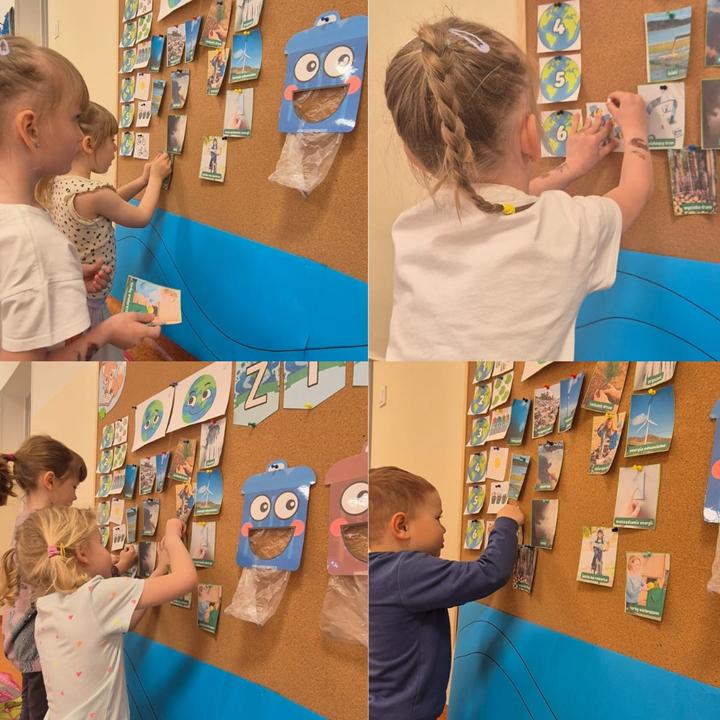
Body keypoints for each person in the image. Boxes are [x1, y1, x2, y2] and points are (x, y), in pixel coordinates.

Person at [383, 18, 654, 360]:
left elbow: (497, 204)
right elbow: (636, 189)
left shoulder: (410, 228)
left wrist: (571, 169)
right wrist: (636, 128)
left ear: (413, 157)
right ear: (531, 137)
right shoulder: (568, 228)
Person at [0, 36, 161, 360]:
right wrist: (107, 332)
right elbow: (24, 377)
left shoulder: (19, 219)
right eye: (74, 118)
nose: (78, 134)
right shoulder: (34, 243)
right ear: (31, 130)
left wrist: (64, 282)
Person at [0, 508, 197, 720]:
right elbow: (186, 579)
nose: (109, 552)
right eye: (101, 543)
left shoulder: (46, 608)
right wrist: (172, 535)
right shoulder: (96, 596)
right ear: (82, 554)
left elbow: (126, 621)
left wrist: (159, 570)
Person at [369, 466, 524, 720]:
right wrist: (506, 523)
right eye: (437, 518)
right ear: (402, 526)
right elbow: (490, 572)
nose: (443, 529)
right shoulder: (407, 571)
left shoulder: (371, 571)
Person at [0, 437, 137, 719]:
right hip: (40, 647)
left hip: (31, 642)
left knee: (33, 708)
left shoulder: (29, 522)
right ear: (50, 481)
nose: (75, 497)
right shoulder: (43, 527)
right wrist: (115, 570)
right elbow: (67, 587)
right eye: (74, 486)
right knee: (39, 709)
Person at [39, 101, 172, 359]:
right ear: (89, 144)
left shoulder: (62, 184)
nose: (115, 147)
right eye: (112, 140)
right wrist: (156, 178)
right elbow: (141, 216)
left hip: (74, 296)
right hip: (90, 300)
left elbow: (113, 203)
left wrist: (142, 180)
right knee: (101, 358)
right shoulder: (94, 194)